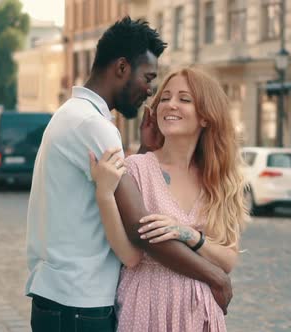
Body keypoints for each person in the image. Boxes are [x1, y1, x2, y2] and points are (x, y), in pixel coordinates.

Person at [25, 17, 233, 332]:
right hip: (80, 303)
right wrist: (215, 276)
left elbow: (119, 188)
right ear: (122, 68)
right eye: (148, 78)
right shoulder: (95, 126)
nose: (150, 91)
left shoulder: (73, 115)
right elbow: (140, 229)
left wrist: (141, 151)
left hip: (60, 298)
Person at [90, 67, 248, 331]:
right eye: (165, 98)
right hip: (147, 306)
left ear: (206, 117)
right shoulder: (135, 168)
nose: (170, 105)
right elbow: (130, 257)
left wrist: (187, 234)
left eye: (184, 99)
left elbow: (228, 261)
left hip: (201, 311)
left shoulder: (219, 180)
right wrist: (105, 195)